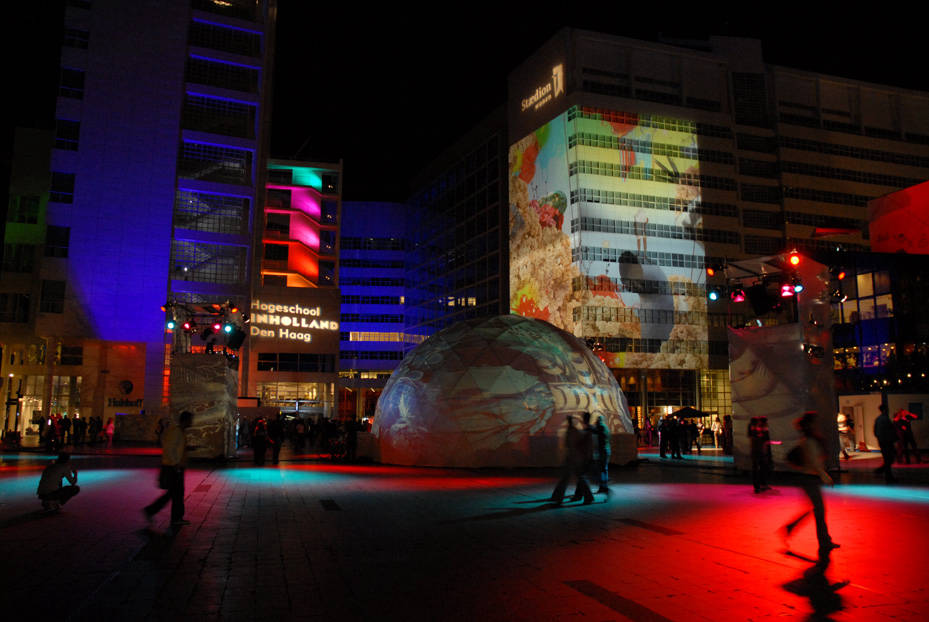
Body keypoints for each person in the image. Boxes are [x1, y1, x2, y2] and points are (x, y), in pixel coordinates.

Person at [782, 411, 838, 557]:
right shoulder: (810, 441)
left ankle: (793, 528)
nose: (818, 425)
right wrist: (824, 475)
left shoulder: (809, 439)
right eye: (815, 422)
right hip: (809, 478)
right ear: (811, 424)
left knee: (817, 510)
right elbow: (814, 461)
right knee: (819, 510)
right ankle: (824, 541)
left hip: (809, 478)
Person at [143, 410, 195, 528]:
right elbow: (169, 448)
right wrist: (175, 464)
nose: (192, 422)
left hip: (177, 466)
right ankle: (174, 517)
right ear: (185, 420)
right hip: (174, 467)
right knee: (176, 494)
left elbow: (176, 447)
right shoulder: (176, 431)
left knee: (174, 493)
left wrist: (188, 448)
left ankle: (153, 511)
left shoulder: (180, 432)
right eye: (191, 420)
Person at [551, 414, 594, 505]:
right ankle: (587, 496)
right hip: (575, 458)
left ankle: (558, 497)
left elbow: (572, 445)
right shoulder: (576, 431)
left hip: (573, 458)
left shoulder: (573, 431)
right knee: (576, 478)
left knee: (570, 478)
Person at [873, 404, 897, 483]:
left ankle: (884, 472)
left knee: (887, 458)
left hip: (883, 442)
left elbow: (876, 432)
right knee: (889, 458)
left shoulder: (878, 419)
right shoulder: (885, 419)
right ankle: (888, 475)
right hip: (887, 442)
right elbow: (890, 430)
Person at [749, 417, 773, 493]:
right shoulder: (755, 431)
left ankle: (760, 485)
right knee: (758, 468)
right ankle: (758, 486)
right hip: (758, 451)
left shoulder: (757, 431)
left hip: (759, 451)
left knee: (761, 468)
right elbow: (762, 440)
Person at [593, 415, 611, 494]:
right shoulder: (605, 427)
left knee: (601, 469)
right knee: (604, 469)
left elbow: (600, 439)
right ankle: (604, 486)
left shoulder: (601, 427)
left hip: (602, 451)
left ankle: (603, 486)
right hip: (606, 450)